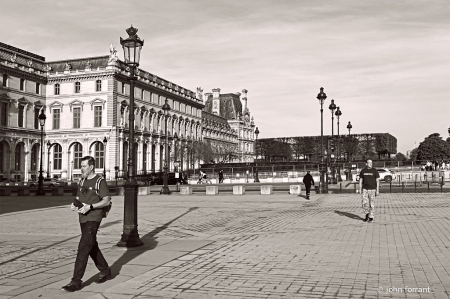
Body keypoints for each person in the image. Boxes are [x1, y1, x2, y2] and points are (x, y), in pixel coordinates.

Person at [62, 156, 112, 292]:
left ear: (91, 167)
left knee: (83, 247)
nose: (81, 169)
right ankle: (106, 271)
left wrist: (90, 207)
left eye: (84, 166)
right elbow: (79, 197)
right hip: (82, 218)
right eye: (81, 166)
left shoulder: (100, 181)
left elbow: (106, 201)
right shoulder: (82, 180)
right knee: (91, 246)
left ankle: (75, 281)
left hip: (94, 218)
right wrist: (74, 203)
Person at [359, 159, 380, 223]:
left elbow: (377, 181)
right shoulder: (363, 171)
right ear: (366, 164)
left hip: (372, 189)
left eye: (371, 163)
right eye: (369, 163)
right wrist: (360, 189)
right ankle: (367, 214)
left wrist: (377, 190)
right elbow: (360, 180)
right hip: (365, 189)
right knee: (364, 203)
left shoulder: (374, 171)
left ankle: (371, 217)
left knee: (372, 204)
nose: (370, 164)